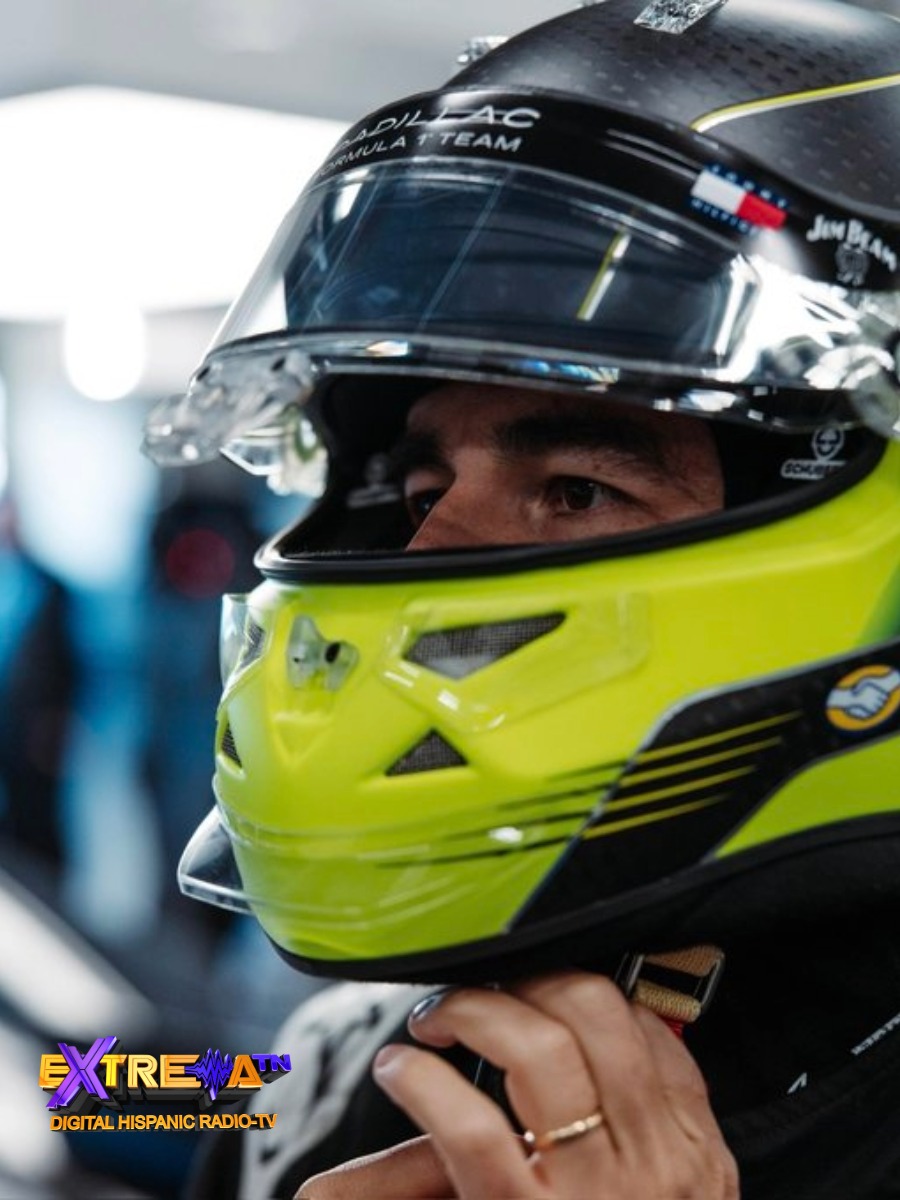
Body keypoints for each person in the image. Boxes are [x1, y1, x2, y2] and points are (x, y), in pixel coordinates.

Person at [143, 0, 900, 1195]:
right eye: (422, 483)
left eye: (581, 488)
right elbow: (105, 1099)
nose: (429, 543)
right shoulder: (325, 1080)